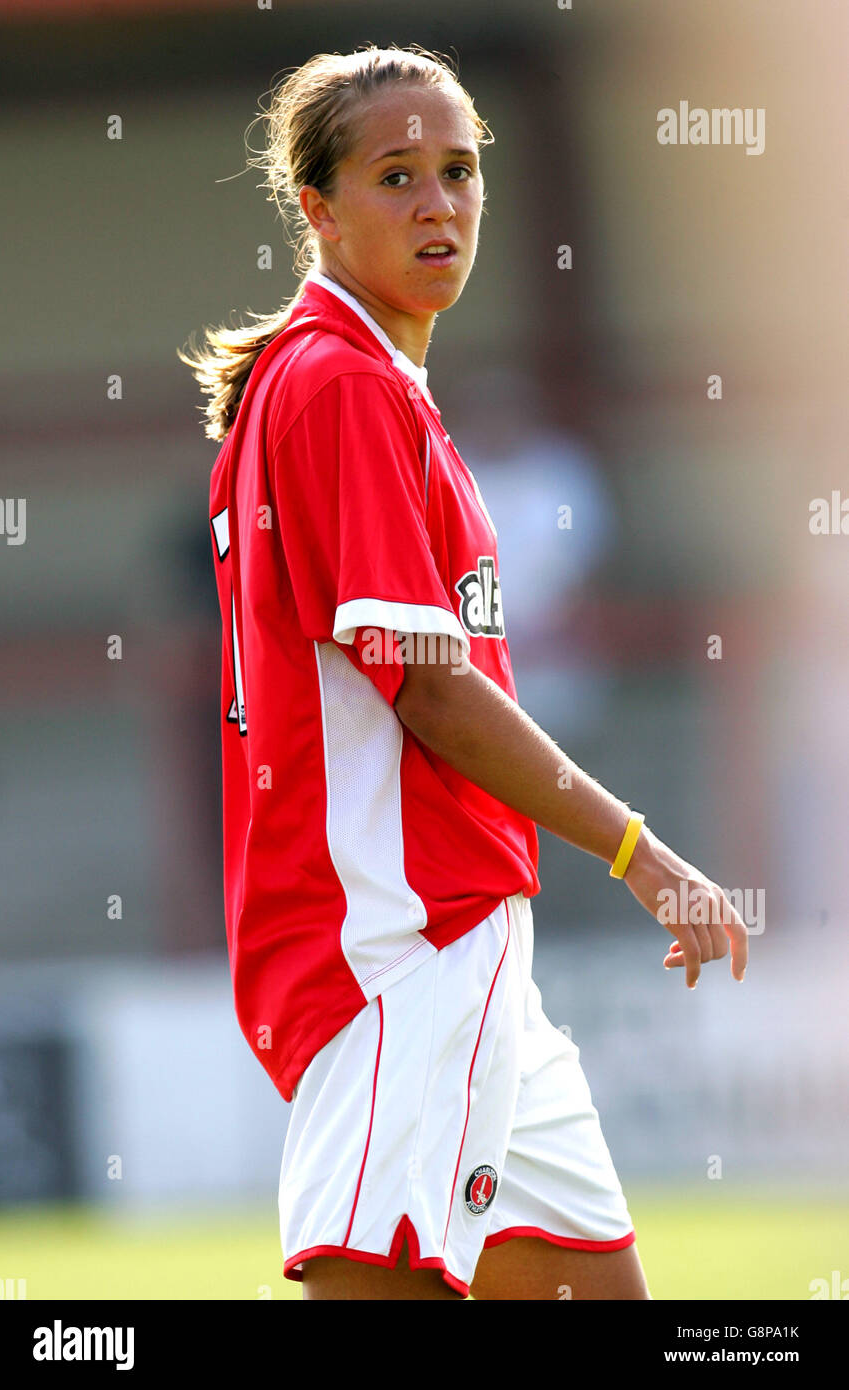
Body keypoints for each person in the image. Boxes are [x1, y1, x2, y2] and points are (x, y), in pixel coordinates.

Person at [178, 43, 748, 1302]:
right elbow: (427, 693)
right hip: (400, 950)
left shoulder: (359, 378)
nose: (438, 205)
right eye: (396, 175)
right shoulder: (337, 386)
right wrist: (638, 850)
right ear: (316, 208)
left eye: (458, 170)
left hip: (468, 947)